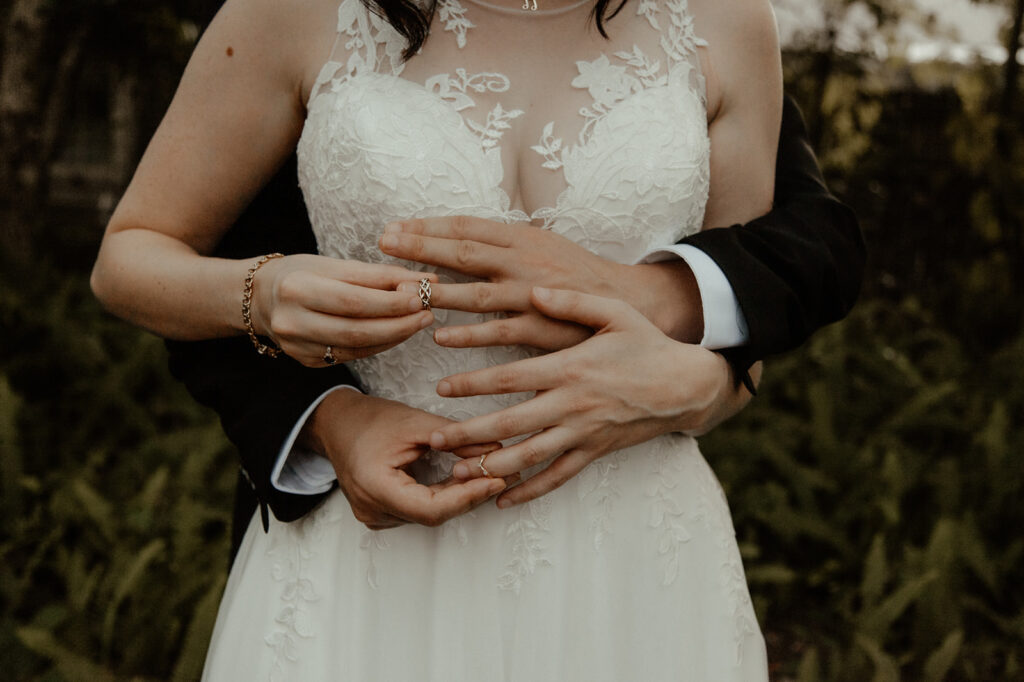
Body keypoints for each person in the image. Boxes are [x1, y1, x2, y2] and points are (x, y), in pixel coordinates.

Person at [91, 0, 861, 677]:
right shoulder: (294, 12)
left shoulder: (725, 19)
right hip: (372, 549)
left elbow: (740, 343)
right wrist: (263, 295)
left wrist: (699, 391)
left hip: (635, 560)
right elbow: (130, 256)